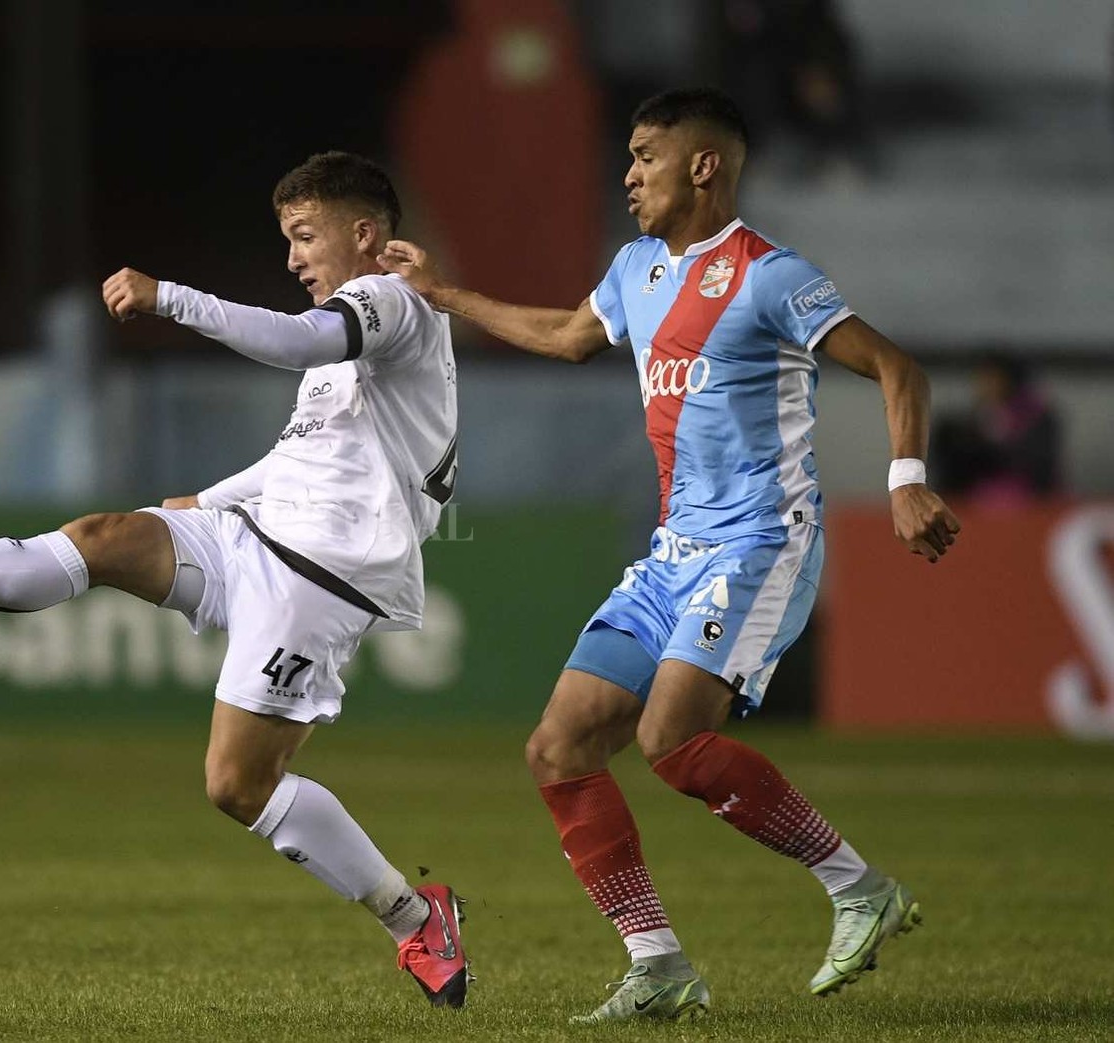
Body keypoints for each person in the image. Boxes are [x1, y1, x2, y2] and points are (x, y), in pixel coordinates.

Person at [0, 152, 470, 1008]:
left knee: (236, 785)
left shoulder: (387, 300)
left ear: (366, 234)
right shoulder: (356, 342)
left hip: (322, 576)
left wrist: (169, 298)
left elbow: (295, 339)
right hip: (255, 535)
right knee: (106, 536)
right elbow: (305, 454)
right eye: (288, 240)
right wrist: (213, 497)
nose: (293, 258)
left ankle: (416, 918)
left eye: (305, 237)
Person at [378, 88, 960, 1022]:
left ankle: (859, 888)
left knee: (668, 738)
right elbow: (570, 339)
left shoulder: (770, 276)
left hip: (760, 541)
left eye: (645, 155)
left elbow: (898, 367)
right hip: (671, 554)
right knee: (558, 746)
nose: (628, 173)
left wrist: (902, 478)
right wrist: (443, 295)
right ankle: (656, 962)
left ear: (703, 166)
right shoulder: (636, 268)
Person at [932, 352, 1061, 504]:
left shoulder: (1037, 417)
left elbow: (1036, 466)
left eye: (992, 379)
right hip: (974, 498)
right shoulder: (974, 417)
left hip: (1025, 499)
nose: (984, 385)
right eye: (981, 379)